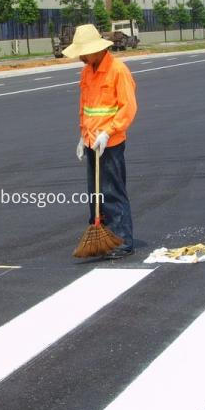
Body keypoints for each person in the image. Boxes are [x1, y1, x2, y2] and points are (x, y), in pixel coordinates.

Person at [63, 25, 137, 259]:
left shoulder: (118, 70)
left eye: (84, 53)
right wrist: (82, 135)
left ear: (96, 50)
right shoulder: (87, 72)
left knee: (112, 192)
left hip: (110, 143)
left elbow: (128, 107)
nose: (81, 58)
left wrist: (108, 132)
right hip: (91, 142)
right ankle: (104, 238)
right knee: (95, 195)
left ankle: (122, 241)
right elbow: (86, 107)